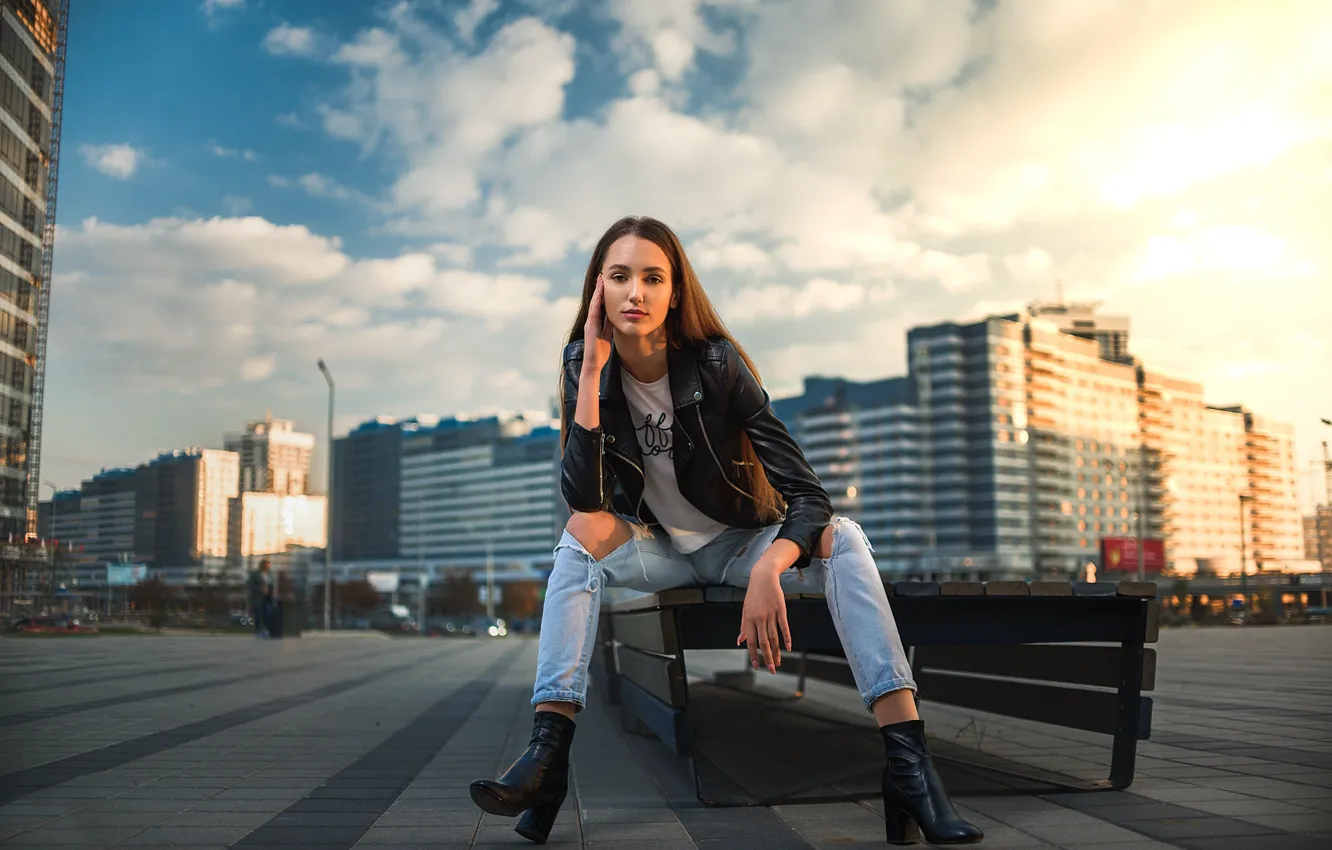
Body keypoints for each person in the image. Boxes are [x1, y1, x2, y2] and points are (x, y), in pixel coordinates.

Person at [469, 217, 983, 846]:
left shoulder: (715, 363)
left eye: (652, 278)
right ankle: (547, 757)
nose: (635, 292)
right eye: (619, 276)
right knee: (577, 536)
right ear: (597, 289)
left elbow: (809, 496)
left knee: (845, 536)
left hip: (742, 546)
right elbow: (584, 497)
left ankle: (910, 767)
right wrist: (590, 379)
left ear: (675, 292)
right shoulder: (586, 364)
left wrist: (770, 567)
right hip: (661, 551)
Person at [246, 560, 274, 638]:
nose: (268, 566)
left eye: (269, 565)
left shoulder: (270, 574)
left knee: (267, 614)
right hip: (258, 597)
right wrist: (260, 589)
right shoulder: (255, 574)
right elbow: (250, 585)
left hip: (268, 598)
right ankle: (258, 631)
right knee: (258, 614)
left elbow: (271, 585)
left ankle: (266, 630)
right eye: (266, 565)